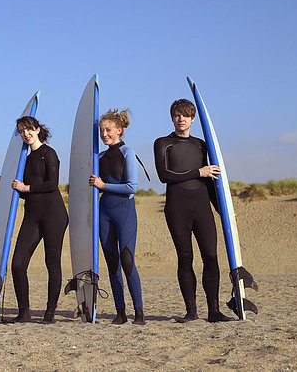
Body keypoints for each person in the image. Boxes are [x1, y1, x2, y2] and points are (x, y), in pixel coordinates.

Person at [153, 99, 231, 323]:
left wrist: (222, 210)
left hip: (201, 206)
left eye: (186, 115)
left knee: (211, 256)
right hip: (177, 207)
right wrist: (198, 171)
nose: (181, 119)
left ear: (193, 118)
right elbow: (165, 175)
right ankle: (191, 312)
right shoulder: (162, 143)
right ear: (172, 117)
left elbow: (209, 180)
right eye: (177, 115)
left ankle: (214, 311)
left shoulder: (201, 144)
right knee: (185, 257)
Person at [89, 109, 145, 325]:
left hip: (124, 211)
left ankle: (139, 312)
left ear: (119, 130)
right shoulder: (99, 157)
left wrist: (104, 185)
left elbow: (132, 188)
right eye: (101, 131)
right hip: (104, 212)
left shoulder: (127, 152)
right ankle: (120, 313)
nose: (104, 134)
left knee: (127, 260)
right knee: (112, 263)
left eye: (108, 130)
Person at [10, 116, 68, 324]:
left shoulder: (48, 153)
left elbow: (52, 184)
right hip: (32, 214)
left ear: (37, 129)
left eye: (28, 129)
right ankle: (24, 312)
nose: (26, 134)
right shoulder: (25, 159)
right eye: (21, 131)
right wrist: (13, 185)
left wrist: (26, 188)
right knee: (17, 263)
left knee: (52, 263)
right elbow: (26, 192)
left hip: (54, 214)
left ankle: (50, 313)